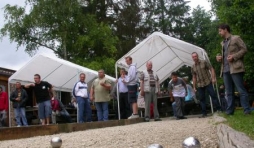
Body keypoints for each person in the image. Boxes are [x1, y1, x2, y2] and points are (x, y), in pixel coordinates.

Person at [216, 24, 251, 115]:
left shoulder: (236, 38)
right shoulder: (223, 43)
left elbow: (244, 49)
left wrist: (234, 57)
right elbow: (225, 56)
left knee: (241, 90)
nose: (219, 33)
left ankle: (246, 110)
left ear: (225, 30)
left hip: (236, 68)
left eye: (220, 31)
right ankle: (230, 111)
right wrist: (219, 58)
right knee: (229, 92)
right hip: (225, 70)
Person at [191, 52, 221, 118]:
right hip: (200, 84)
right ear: (192, 58)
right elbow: (194, 77)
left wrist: (213, 78)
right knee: (202, 99)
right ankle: (204, 113)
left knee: (213, 95)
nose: (194, 58)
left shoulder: (204, 62)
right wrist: (194, 87)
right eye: (193, 57)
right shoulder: (193, 66)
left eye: (195, 56)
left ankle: (219, 109)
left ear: (197, 56)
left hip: (207, 82)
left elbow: (211, 69)